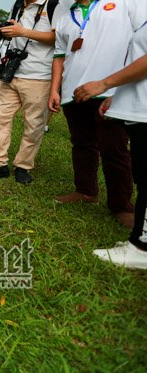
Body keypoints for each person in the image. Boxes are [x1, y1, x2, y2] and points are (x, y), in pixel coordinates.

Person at [49, 0, 143, 228]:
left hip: (110, 90)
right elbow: (59, 56)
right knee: (81, 145)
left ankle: (121, 205)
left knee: (114, 149)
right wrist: (55, 90)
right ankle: (86, 191)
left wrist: (116, 86)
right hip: (73, 93)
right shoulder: (67, 18)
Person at [0, 0, 65, 184]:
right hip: (10, 72)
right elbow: (16, 34)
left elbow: (59, 38)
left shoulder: (57, 3)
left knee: (34, 124)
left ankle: (23, 166)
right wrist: (8, 33)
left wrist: (22, 31)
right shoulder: (18, 4)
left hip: (39, 75)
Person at [74, 18, 147, 268]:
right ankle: (139, 239)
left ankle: (142, 248)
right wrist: (119, 95)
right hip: (137, 105)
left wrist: (105, 84)